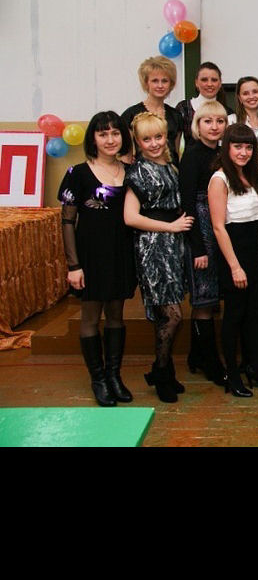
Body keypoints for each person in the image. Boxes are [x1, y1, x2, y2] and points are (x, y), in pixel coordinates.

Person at [58, 111, 137, 407]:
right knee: (91, 317)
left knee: (116, 315)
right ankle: (98, 379)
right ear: (93, 138)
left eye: (115, 133)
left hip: (121, 253)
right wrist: (73, 265)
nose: (110, 139)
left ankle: (114, 375)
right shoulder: (77, 173)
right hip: (90, 256)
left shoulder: (131, 171)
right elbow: (68, 222)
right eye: (103, 134)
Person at [124, 111, 193, 403]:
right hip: (152, 246)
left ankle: (164, 371)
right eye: (146, 139)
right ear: (138, 142)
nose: (153, 144)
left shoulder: (170, 165)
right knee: (172, 315)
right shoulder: (138, 172)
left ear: (166, 136)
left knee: (168, 314)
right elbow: (130, 217)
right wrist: (171, 227)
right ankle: (161, 373)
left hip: (173, 246)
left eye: (158, 137)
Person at [209, 123, 258, 396]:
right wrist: (235, 267)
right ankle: (232, 376)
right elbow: (218, 227)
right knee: (234, 317)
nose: (243, 152)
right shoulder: (220, 179)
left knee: (253, 315)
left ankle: (255, 368)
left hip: (253, 254)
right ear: (226, 148)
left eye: (248, 147)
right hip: (233, 256)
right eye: (237, 146)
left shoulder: (251, 173)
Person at [178, 100, 228, 386]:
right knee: (203, 300)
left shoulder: (223, 153)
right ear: (198, 125)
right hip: (201, 233)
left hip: (220, 227)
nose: (214, 126)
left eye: (220, 121)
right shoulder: (192, 155)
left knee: (212, 298)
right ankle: (211, 363)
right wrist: (197, 247)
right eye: (208, 121)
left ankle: (196, 356)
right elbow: (186, 204)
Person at [121, 56, 183, 161]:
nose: (160, 85)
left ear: (171, 84)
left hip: (171, 170)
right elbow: (126, 156)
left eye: (164, 81)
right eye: (155, 81)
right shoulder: (131, 115)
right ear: (146, 83)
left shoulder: (176, 116)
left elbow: (176, 152)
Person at [175, 61, 231, 148]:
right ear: (196, 83)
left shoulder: (228, 112)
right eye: (204, 80)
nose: (209, 84)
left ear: (220, 83)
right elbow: (175, 144)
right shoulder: (183, 108)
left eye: (214, 80)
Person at [228, 76, 258, 145]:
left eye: (255, 92)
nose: (251, 96)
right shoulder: (230, 121)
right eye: (245, 93)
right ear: (239, 98)